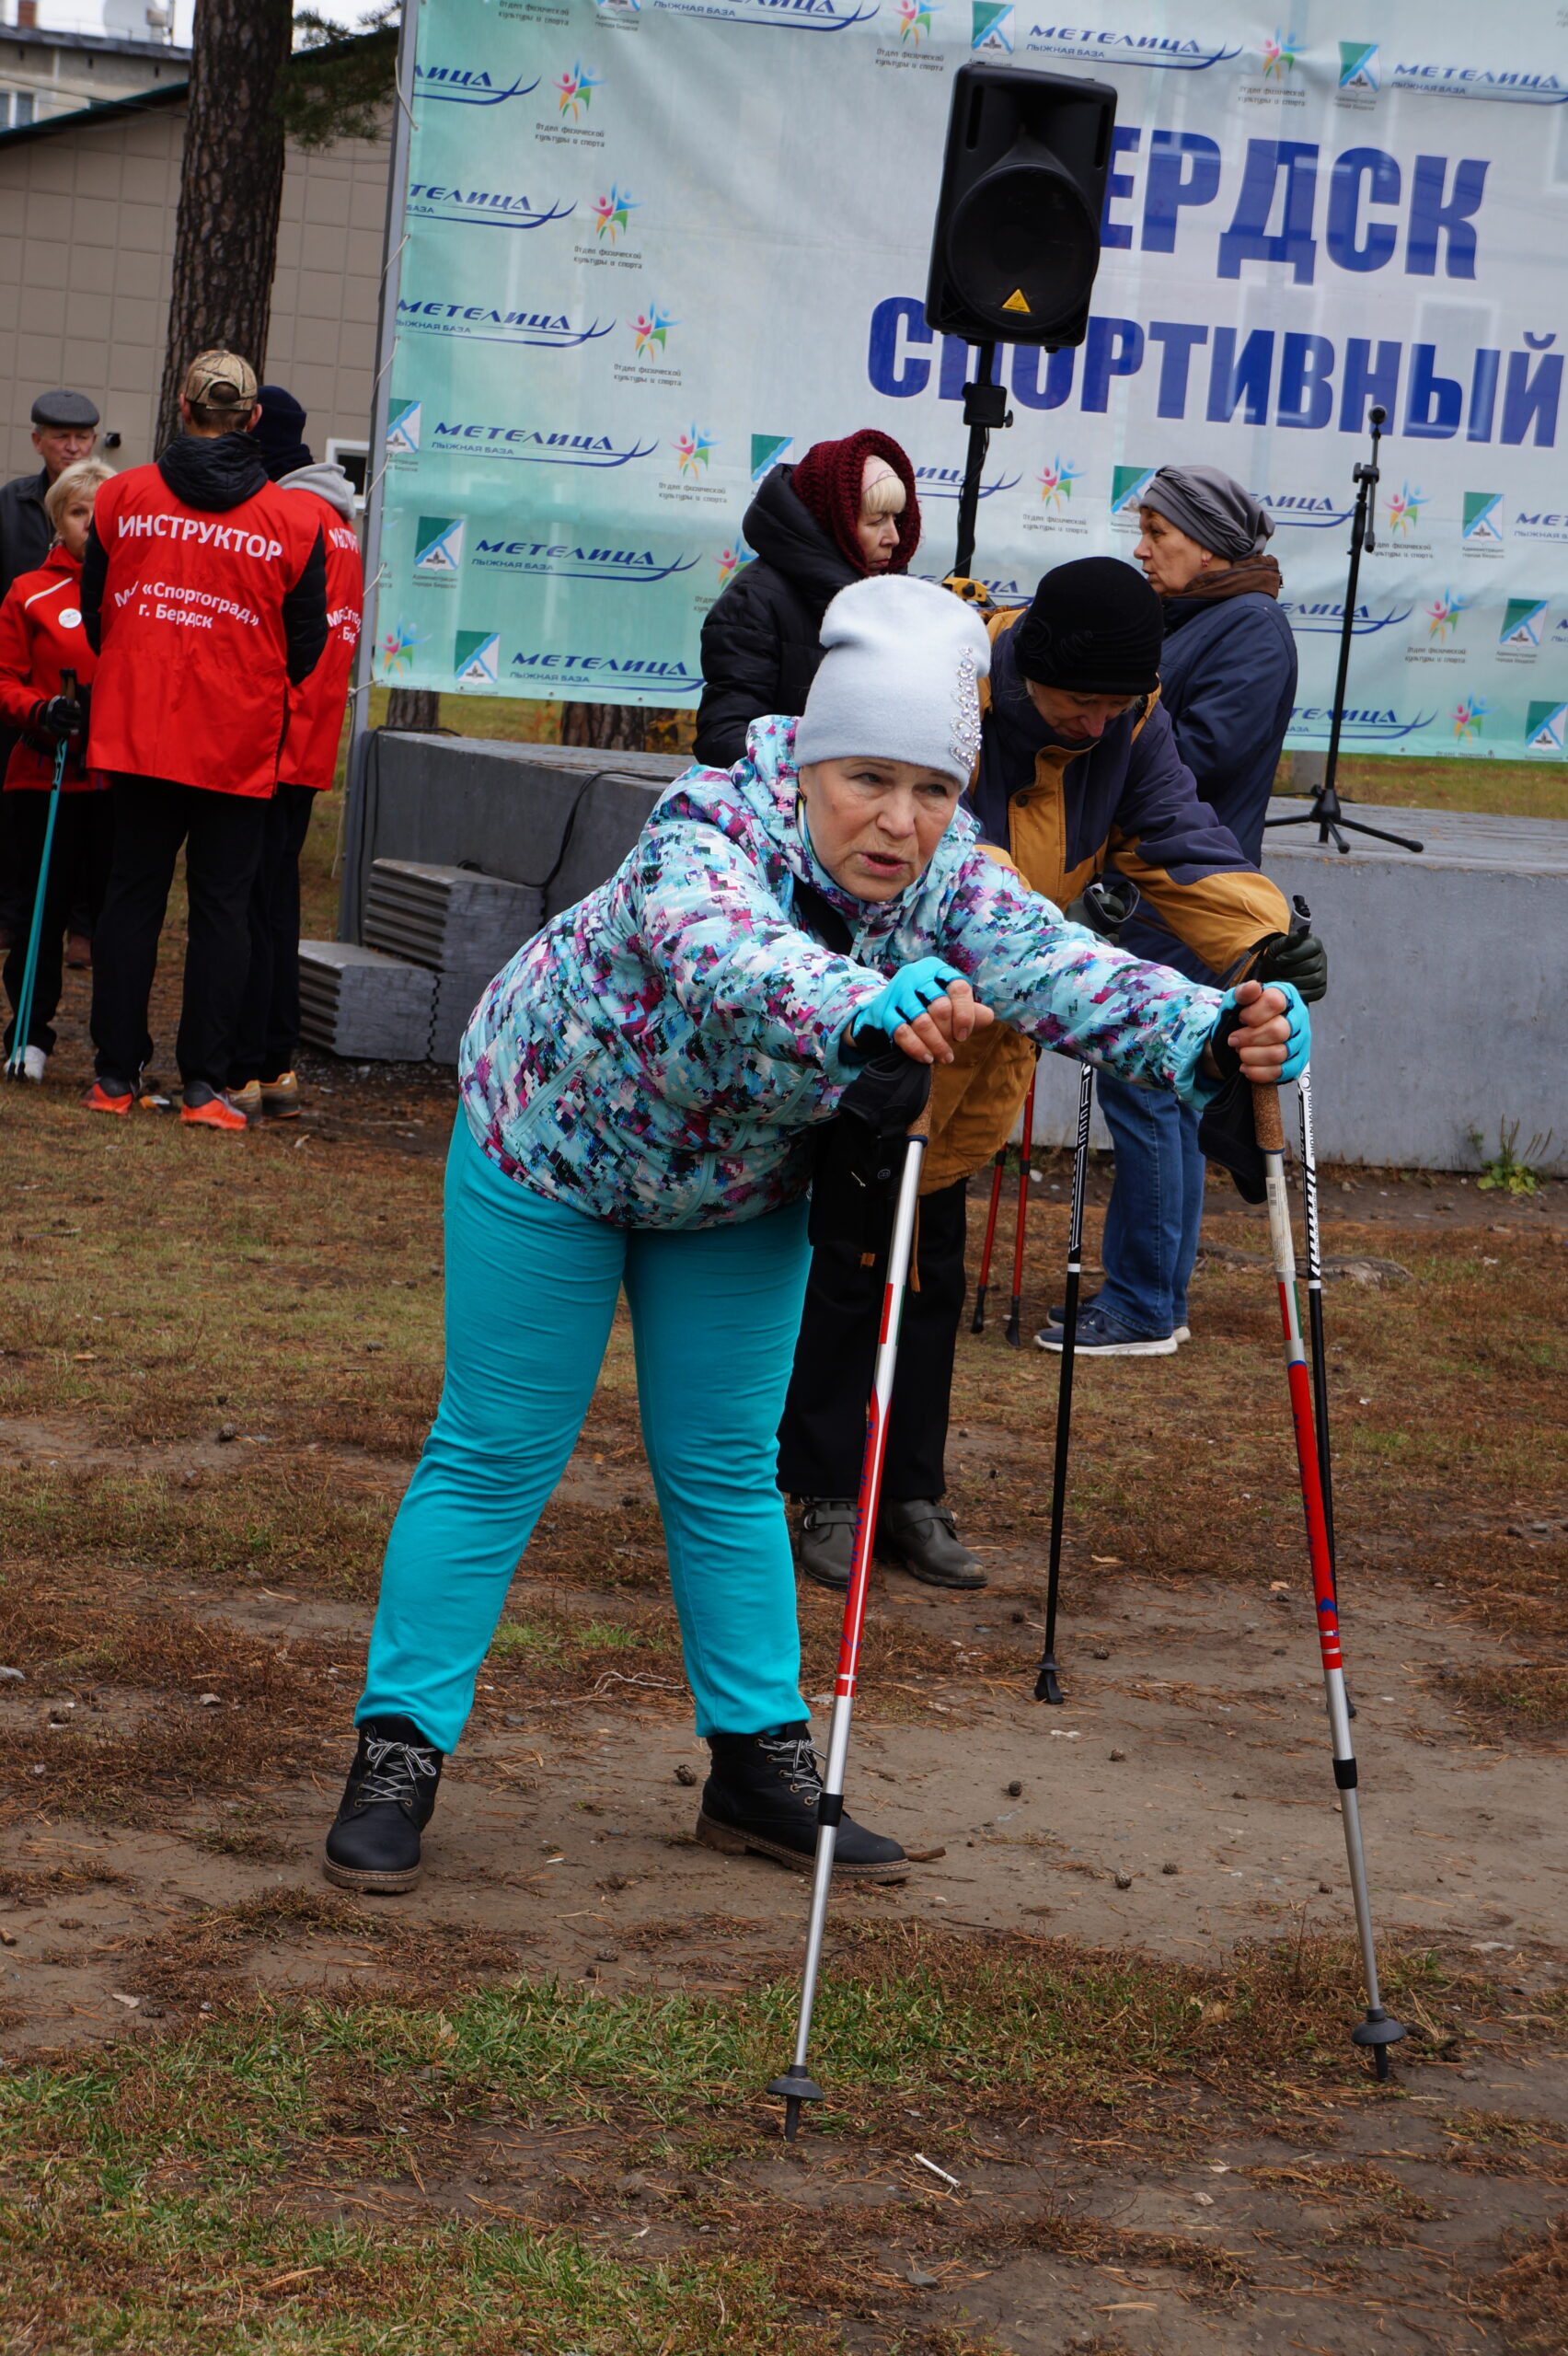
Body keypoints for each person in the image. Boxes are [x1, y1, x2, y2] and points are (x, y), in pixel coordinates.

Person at [317, 574, 1310, 1898]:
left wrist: (1211, 1033)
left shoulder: (955, 875)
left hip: (732, 1190)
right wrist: (857, 1004)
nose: (900, 823)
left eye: (935, 790)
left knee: (727, 1468)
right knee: (497, 1452)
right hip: (552, 1147)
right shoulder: (706, 825)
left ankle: (757, 1765)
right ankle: (398, 1754)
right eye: (868, 781)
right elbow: (720, 953)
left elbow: (1060, 964)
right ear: (810, 759)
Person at [779, 558, 1322, 1593]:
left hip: (1000, 1024)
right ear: (1028, 672)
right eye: (1083, 702)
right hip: (883, 1012)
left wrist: (1261, 942)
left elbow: (1178, 840)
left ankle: (910, 1489)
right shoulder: (951, 694)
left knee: (934, 1264)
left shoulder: (1131, 725)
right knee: (853, 1259)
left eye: (1119, 705)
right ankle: (826, 1487)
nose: (1098, 722)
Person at [1053, 468, 1303, 1357]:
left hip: (1191, 890)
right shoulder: (1193, 619)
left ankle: (1144, 1304)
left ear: (1208, 542)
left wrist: (1106, 734)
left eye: (1159, 531)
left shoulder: (1249, 627)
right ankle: (1150, 1290)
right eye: (1143, 529)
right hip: (1153, 885)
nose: (1143, 547)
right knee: (1159, 1093)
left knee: (1147, 1092)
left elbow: (1196, 757)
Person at [80, 351, 328, 1130]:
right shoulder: (295, 521)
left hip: (140, 732)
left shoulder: (121, 497)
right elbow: (306, 646)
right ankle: (205, 1087)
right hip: (236, 743)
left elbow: (97, 615)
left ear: (182, 410)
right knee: (223, 911)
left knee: (131, 898)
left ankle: (114, 1077)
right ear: (253, 421)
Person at [228, 385, 363, 1121]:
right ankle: (276, 1063)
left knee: (247, 903)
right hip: (309, 741)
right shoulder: (339, 522)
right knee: (277, 903)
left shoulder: (288, 519)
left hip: (272, 738)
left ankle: (244, 1065)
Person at [693, 429, 919, 767]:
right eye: (876, 521)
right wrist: (814, 787)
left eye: (896, 519)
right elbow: (724, 735)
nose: (893, 537)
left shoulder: (893, 598)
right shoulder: (754, 602)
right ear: (834, 522)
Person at [0, 457, 115, 1078]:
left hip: (115, 782)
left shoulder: (133, 594)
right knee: (39, 911)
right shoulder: (29, 592)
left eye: (103, 513)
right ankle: (29, 1034)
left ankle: (118, 1048)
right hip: (45, 777)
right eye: (78, 512)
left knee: (117, 919)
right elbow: (2, 680)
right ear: (57, 521)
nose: (92, 524)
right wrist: (41, 710)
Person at [0, 390, 100, 960]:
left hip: (89, 726)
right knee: (20, 823)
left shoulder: (116, 504)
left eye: (81, 436)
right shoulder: (11, 504)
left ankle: (84, 925)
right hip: (21, 680)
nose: (72, 445)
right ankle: (16, 915)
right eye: (60, 437)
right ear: (38, 441)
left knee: (91, 835)